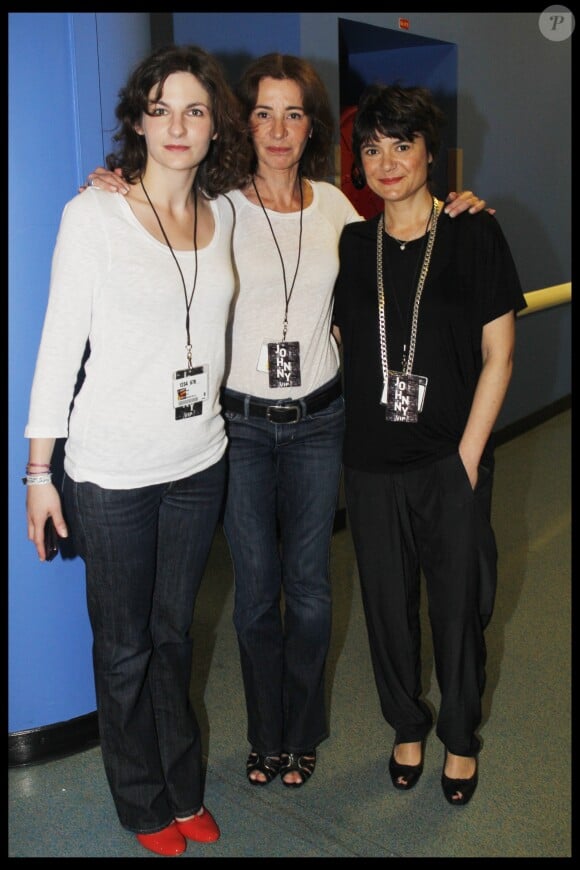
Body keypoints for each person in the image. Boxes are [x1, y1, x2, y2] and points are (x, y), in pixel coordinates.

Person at [85, 53, 488, 790]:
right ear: (244, 121)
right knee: (255, 590)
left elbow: (408, 234)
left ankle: (302, 734)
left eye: (294, 113)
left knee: (308, 589)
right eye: (263, 113)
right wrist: (112, 183)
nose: (278, 129)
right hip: (238, 425)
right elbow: (152, 206)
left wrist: (464, 207)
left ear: (311, 127)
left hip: (320, 422)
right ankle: (264, 736)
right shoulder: (215, 204)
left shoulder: (340, 209)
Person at [24, 44, 251, 855]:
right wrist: (39, 472)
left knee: (175, 636)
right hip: (111, 472)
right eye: (161, 108)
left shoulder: (227, 215)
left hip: (198, 462)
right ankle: (141, 801)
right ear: (138, 121)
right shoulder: (95, 215)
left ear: (215, 121)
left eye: (195, 108)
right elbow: (58, 347)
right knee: (124, 649)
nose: (178, 125)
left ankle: (183, 786)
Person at [332, 83, 526, 806]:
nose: (386, 162)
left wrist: (467, 459)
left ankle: (461, 736)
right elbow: (347, 342)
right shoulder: (353, 243)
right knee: (386, 607)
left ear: (429, 152)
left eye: (401, 145)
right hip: (372, 465)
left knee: (460, 605)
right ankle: (406, 724)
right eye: (372, 148)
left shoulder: (475, 233)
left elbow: (499, 355)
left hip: (452, 459)